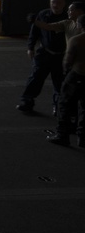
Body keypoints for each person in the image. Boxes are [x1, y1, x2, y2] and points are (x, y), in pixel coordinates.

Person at [17, 0, 68, 113]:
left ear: (64, 4)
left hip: (61, 56)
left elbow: (50, 27)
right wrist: (30, 47)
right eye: (53, 2)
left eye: (58, 3)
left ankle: (58, 106)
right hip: (44, 53)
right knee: (35, 78)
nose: (55, 5)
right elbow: (34, 32)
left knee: (60, 83)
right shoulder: (43, 14)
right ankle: (27, 101)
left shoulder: (68, 19)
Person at [48, 15, 85, 147]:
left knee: (64, 104)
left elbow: (67, 60)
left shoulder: (76, 40)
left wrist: (65, 72)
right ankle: (82, 137)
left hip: (77, 75)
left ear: (80, 26)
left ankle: (62, 135)